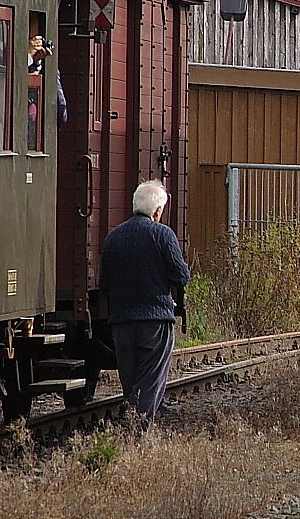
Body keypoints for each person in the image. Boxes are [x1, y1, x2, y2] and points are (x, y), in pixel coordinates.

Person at [98, 180, 190, 428]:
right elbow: (181, 277)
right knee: (150, 381)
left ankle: (132, 427)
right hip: (155, 321)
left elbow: (103, 283)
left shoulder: (113, 238)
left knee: (130, 381)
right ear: (157, 211)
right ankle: (138, 434)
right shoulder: (163, 235)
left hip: (121, 323)